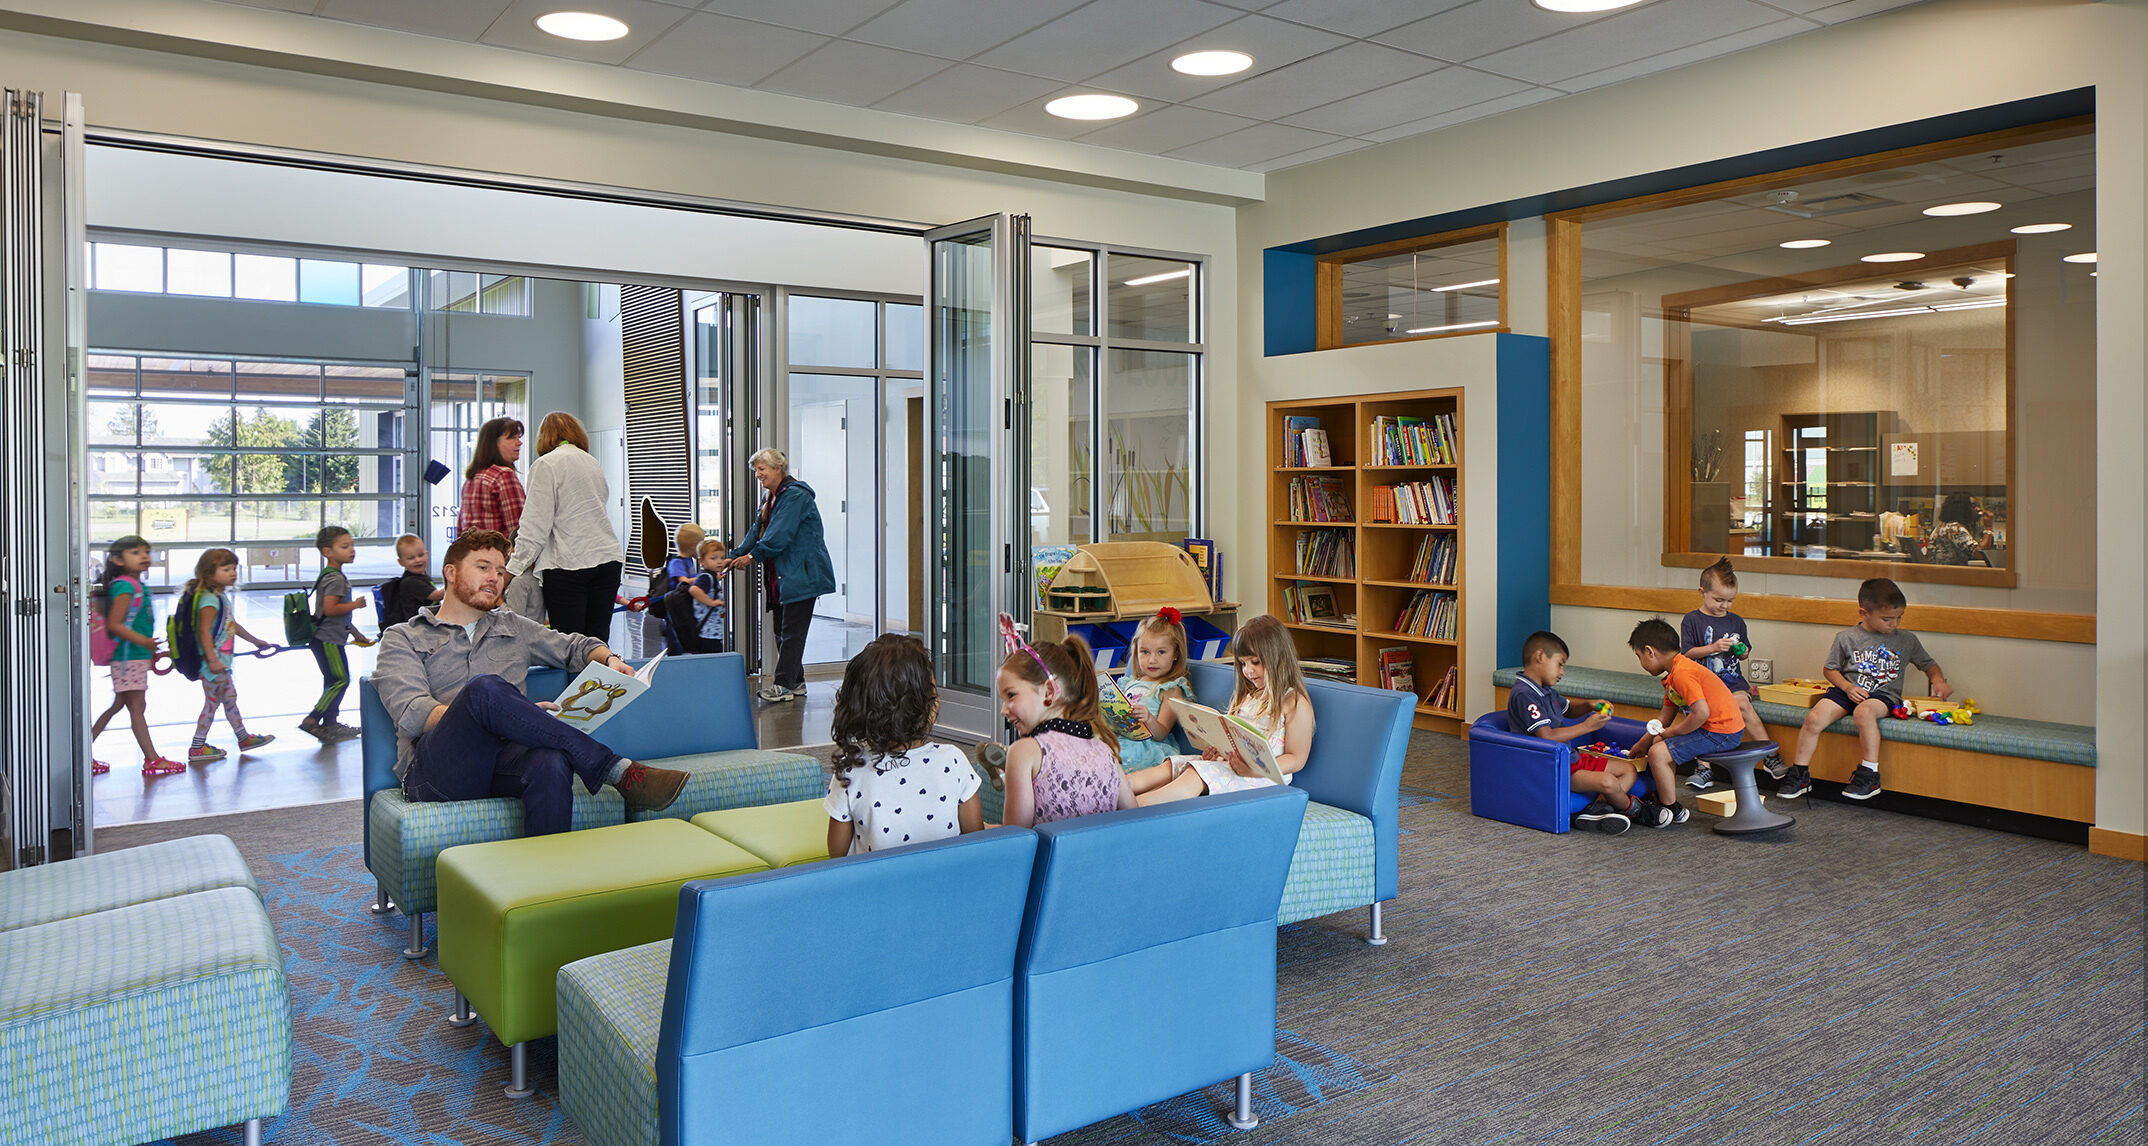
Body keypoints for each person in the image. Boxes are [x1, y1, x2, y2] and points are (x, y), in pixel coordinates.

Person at [371, 528, 689, 835]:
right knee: (485, 690)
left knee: (549, 760)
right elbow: (413, 713)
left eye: (500, 570)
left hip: (503, 762)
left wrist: (609, 658)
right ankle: (616, 770)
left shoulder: (513, 627)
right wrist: (502, 713)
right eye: (483, 567)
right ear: (451, 573)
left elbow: (573, 646)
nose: (495, 577)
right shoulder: (402, 637)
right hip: (436, 773)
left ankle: (547, 878)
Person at [1779, 578, 1950, 802]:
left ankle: (1869, 774)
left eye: (1899, 617)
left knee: (1864, 712)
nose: (1894, 624)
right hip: (1847, 690)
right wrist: (1848, 687)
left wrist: (1938, 680)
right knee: (1813, 718)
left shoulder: (1907, 640)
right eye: (1887, 619)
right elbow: (1830, 670)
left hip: (1883, 695)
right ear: (1863, 613)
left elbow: (1929, 665)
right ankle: (1799, 774)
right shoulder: (1846, 638)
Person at [1125, 614, 1314, 805]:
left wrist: (1255, 769)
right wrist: (1216, 750)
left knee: (1194, 773)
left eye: (1254, 662)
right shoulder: (1249, 696)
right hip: (1233, 767)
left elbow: (1296, 759)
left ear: (1277, 657)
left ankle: (1132, 808)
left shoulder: (1295, 703)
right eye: (1243, 663)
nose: (1247, 670)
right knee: (1173, 765)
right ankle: (1115, 791)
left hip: (1263, 781)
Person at [824, 633, 981, 855]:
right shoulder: (953, 760)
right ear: (926, 706)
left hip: (878, 887)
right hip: (946, 886)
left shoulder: (851, 771)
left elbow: (836, 855)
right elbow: (976, 841)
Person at [724, 448, 835, 703]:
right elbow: (758, 530)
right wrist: (736, 554)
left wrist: (751, 557)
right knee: (781, 631)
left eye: (762, 469)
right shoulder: (771, 497)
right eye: (756, 470)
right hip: (781, 577)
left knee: (792, 632)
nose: (758, 474)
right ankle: (796, 682)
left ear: (779, 469)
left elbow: (779, 535)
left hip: (801, 575)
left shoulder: (795, 496)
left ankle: (783, 685)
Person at [504, 412, 623, 642]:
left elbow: (533, 527)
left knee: (570, 646)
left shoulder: (546, 464)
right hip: (608, 560)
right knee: (597, 643)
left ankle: (576, 680)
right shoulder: (592, 462)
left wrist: (509, 572)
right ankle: (603, 679)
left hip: (570, 564)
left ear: (545, 438)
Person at [997, 632, 1137, 828]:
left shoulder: (1023, 752)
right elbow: (1133, 821)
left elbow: (1016, 841)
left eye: (1011, 695)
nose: (1004, 710)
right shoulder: (1106, 752)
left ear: (1049, 691)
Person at [1506, 630, 1633, 834]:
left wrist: (1590, 704)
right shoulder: (1525, 695)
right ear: (1540, 657)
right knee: (1609, 781)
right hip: (1551, 766)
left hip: (1571, 759)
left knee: (1628, 769)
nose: (1562, 671)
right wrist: (1588, 726)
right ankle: (1634, 810)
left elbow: (1568, 709)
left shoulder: (1545, 690)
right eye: (1560, 664)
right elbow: (1546, 737)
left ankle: (1598, 809)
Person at [1624, 618, 1744, 828]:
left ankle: (1672, 808)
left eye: (1639, 656)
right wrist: (1644, 741)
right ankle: (1664, 798)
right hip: (1716, 728)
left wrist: (1672, 733)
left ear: (1650, 651)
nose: (1641, 662)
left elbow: (1701, 713)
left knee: (1658, 753)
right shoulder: (1673, 675)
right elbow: (1664, 719)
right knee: (1654, 745)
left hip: (1722, 732)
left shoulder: (1682, 673)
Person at [1679, 557, 1783, 790]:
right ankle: (1703, 768)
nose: (1724, 606)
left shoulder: (1736, 622)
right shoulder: (1692, 620)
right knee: (1702, 714)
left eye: (1730, 601)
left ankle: (1770, 756)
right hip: (1703, 683)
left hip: (1732, 681)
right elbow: (1686, 654)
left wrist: (1742, 650)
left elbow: (1745, 654)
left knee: (1744, 706)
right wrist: (1713, 648)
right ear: (1702, 592)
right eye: (1718, 600)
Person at [88, 535, 181, 776]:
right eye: (136, 552)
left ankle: (82, 754)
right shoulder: (125, 586)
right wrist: (145, 642)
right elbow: (116, 625)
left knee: (120, 705)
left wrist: (148, 648)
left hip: (133, 656)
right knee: (136, 708)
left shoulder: (135, 585)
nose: (144, 557)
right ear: (118, 559)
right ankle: (152, 759)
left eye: (146, 552)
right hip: (128, 657)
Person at [183, 548, 278, 765]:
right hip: (212, 665)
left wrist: (256, 641)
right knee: (212, 703)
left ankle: (243, 738)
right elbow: (203, 632)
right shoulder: (209, 600)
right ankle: (197, 747)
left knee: (229, 700)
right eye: (226, 569)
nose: (232, 573)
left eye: (234, 568)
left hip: (220, 663)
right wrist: (213, 660)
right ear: (209, 573)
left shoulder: (218, 596)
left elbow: (232, 625)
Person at [459, 416, 536, 619]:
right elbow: (520, 533)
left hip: (473, 570)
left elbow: (461, 532)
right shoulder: (503, 476)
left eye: (519, 437)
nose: (519, 442)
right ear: (494, 443)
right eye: (511, 438)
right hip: (501, 573)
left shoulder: (472, 479)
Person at [301, 525, 369, 743]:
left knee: (332, 680)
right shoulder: (335, 579)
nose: (352, 550)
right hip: (328, 639)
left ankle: (330, 723)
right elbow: (330, 609)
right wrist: (355, 605)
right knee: (340, 680)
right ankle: (312, 720)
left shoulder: (333, 575)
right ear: (327, 552)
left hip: (332, 636)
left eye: (352, 545)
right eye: (344, 546)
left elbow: (337, 615)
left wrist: (355, 633)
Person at [1113, 607, 1197, 770]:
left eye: (1161, 652)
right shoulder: (1130, 682)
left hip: (1147, 747)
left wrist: (1149, 719)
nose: (1152, 660)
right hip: (1121, 738)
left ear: (1175, 654)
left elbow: (1162, 733)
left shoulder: (1171, 689)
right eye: (1145, 652)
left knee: (1114, 758)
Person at [380, 534, 443, 630]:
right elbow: (437, 596)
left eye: (420, 555)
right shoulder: (411, 582)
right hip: (417, 629)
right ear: (401, 562)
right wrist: (455, 584)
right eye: (411, 558)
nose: (417, 560)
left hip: (426, 625)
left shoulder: (422, 576)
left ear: (426, 555)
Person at [684, 537, 728, 653]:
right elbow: (694, 590)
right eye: (713, 558)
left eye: (722, 558)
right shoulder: (705, 578)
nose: (719, 561)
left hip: (711, 631)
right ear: (702, 561)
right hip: (707, 632)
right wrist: (712, 602)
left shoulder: (709, 577)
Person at [1927, 492, 1983, 566]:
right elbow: (1980, 554)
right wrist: (1989, 528)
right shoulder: (1956, 529)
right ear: (1962, 509)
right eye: (1973, 506)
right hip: (1953, 574)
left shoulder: (1940, 527)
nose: (1978, 509)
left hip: (1938, 573)